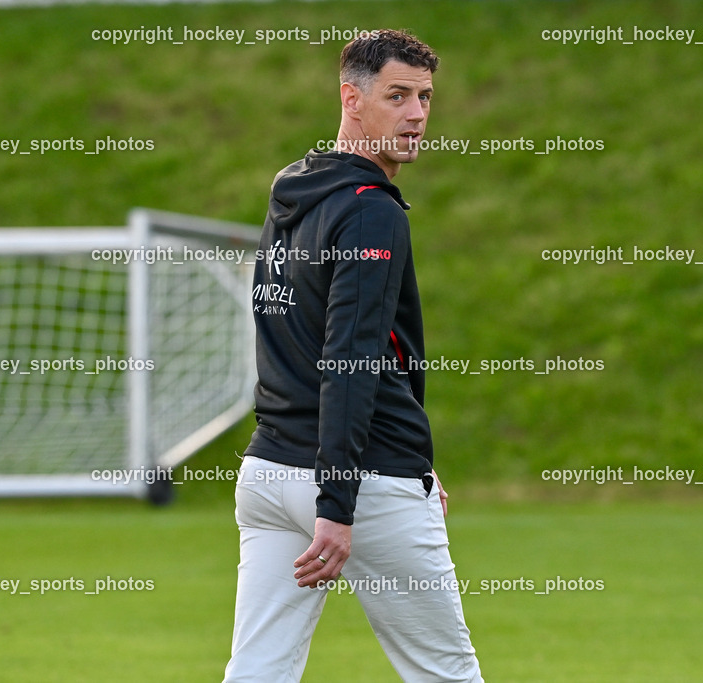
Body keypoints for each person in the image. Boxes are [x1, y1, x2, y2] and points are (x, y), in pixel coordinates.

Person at [223, 29, 484, 682]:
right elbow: (350, 358)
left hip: (268, 474)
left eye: (425, 97)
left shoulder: (294, 192)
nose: (417, 114)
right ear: (352, 100)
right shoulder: (372, 213)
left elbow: (298, 340)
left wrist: (411, 461)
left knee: (257, 671)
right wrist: (339, 501)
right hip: (359, 480)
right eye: (398, 96)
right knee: (446, 673)